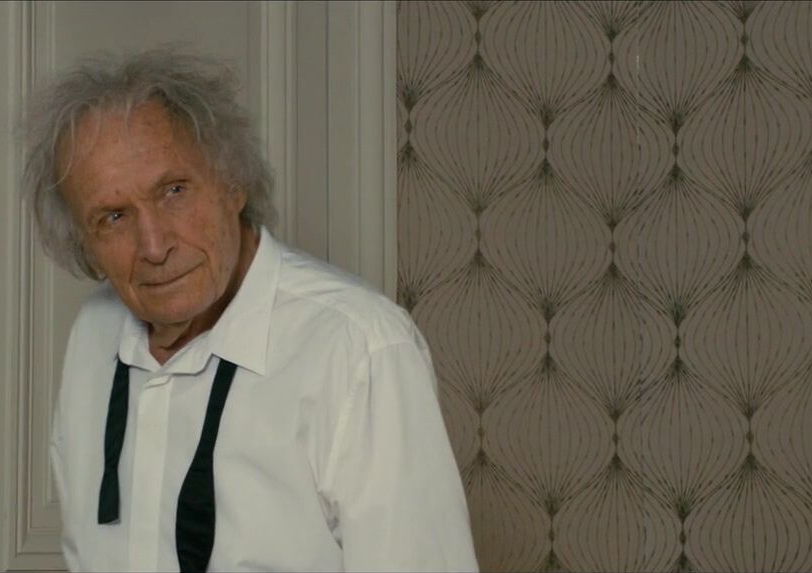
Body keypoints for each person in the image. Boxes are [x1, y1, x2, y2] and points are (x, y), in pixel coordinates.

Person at [25, 49, 478, 572]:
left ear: (233, 182)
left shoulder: (359, 348)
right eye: (113, 217)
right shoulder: (93, 333)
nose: (153, 245)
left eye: (174, 191)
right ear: (84, 243)